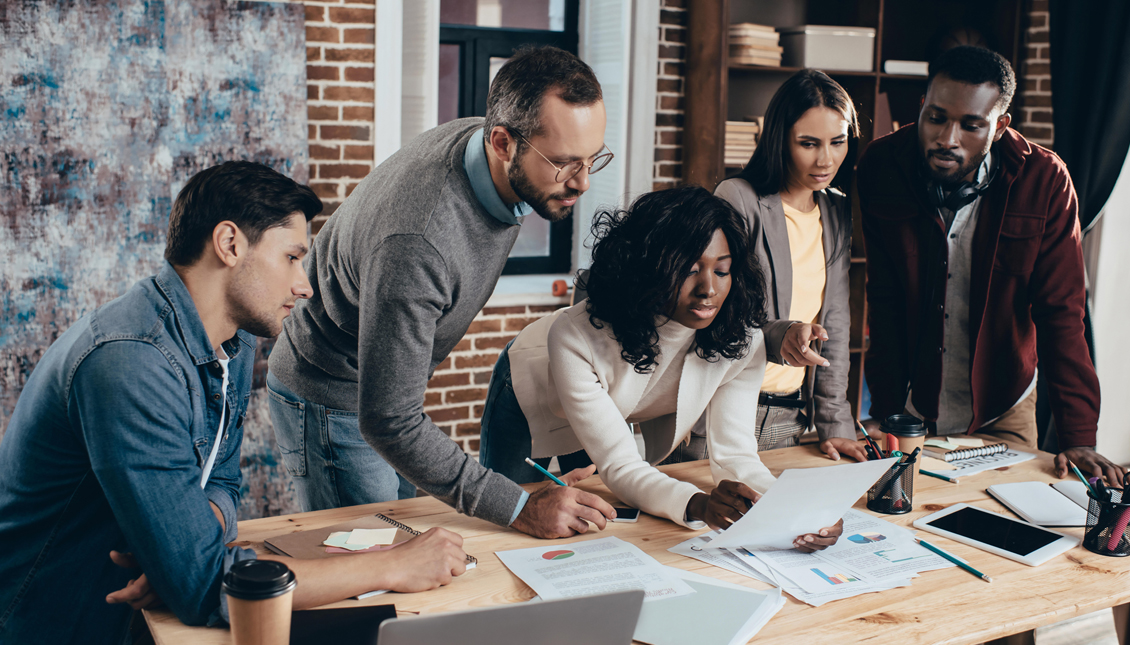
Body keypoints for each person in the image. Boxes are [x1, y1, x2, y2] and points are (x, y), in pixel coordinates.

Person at [0, 162, 469, 645]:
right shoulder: (130, 363)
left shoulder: (234, 340)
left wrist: (182, 549)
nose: (304, 284)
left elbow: (222, 481)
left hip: (140, 613)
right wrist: (393, 565)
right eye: (291, 257)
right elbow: (205, 588)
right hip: (56, 621)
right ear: (229, 244)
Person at [266, 46, 617, 538]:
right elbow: (390, 418)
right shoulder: (419, 242)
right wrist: (520, 507)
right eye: (563, 164)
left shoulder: (497, 153)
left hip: (376, 390)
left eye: (592, 158)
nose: (581, 182)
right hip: (331, 395)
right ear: (501, 142)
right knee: (374, 568)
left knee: (409, 542)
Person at [477, 186, 844, 547]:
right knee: (513, 518)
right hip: (531, 391)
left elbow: (736, 455)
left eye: (722, 270)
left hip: (609, 403)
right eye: (688, 269)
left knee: (589, 521)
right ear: (647, 266)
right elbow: (622, 466)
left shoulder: (742, 340)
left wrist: (801, 513)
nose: (708, 290)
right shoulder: (575, 335)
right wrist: (699, 504)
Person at [856, 46, 1125, 485]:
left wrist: (1079, 436)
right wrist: (885, 409)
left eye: (971, 124)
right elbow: (883, 299)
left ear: (999, 127)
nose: (947, 138)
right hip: (907, 407)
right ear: (921, 106)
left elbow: (1061, 311)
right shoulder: (881, 166)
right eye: (937, 117)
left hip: (1004, 405)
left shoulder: (1045, 182)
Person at [714, 69, 866, 462]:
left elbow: (834, 321)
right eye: (809, 144)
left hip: (789, 416)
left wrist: (836, 424)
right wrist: (782, 332)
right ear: (780, 140)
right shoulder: (739, 198)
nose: (826, 159)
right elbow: (715, 309)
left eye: (838, 142)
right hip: (722, 409)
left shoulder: (835, 209)